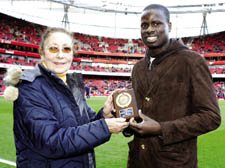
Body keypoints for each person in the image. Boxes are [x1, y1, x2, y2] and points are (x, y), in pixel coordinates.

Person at [6, 27, 129, 168]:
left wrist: (104, 115)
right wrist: (104, 127)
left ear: (72, 53)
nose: (60, 55)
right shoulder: (30, 87)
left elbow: (86, 127)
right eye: (53, 49)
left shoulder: (73, 85)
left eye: (66, 49)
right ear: (41, 53)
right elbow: (50, 142)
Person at [125, 4, 221, 168]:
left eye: (156, 23)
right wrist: (129, 125)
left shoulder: (192, 61)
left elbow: (211, 117)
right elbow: (141, 111)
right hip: (138, 161)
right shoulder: (138, 67)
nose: (149, 29)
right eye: (144, 25)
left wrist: (161, 129)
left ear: (169, 26)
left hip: (174, 162)